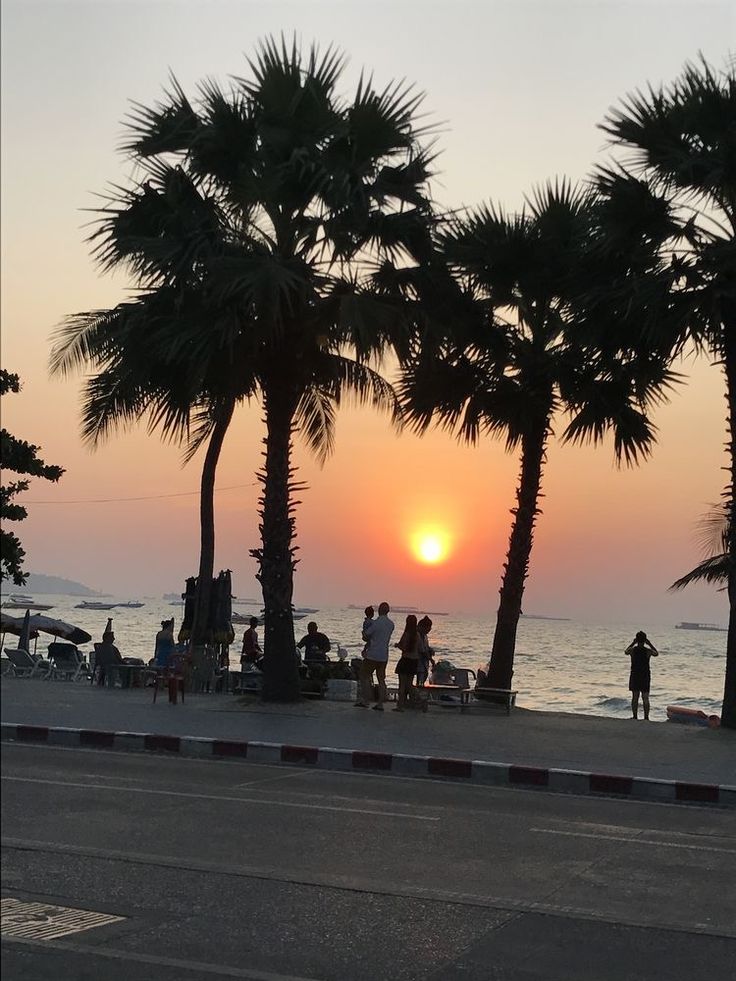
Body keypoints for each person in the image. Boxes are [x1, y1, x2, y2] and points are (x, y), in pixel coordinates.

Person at [356, 601, 394, 710]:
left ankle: (366, 700)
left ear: (379, 610)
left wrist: (363, 632)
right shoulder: (391, 624)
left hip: (373, 654)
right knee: (381, 679)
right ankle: (380, 703)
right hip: (384, 655)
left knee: (364, 675)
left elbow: (366, 637)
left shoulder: (376, 623)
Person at [626, 630, 659, 720]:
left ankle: (635, 716)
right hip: (645, 675)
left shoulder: (633, 650)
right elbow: (656, 653)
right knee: (645, 697)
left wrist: (633, 643)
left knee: (635, 697)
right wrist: (650, 644)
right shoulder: (648, 651)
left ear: (637, 639)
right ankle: (646, 717)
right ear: (645, 640)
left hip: (635, 674)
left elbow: (626, 651)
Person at [394, 614, 420, 711]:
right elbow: (419, 648)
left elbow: (404, 647)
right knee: (409, 684)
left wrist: (398, 645)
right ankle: (419, 699)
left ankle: (400, 705)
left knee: (402, 685)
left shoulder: (406, 634)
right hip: (414, 662)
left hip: (405, 660)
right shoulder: (417, 635)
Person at [416, 616, 434, 686]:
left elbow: (425, 647)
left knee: (422, 679)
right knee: (420, 681)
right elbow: (421, 650)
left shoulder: (425, 636)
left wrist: (430, 649)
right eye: (428, 628)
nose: (429, 630)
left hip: (424, 663)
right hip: (418, 662)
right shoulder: (417, 635)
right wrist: (431, 659)